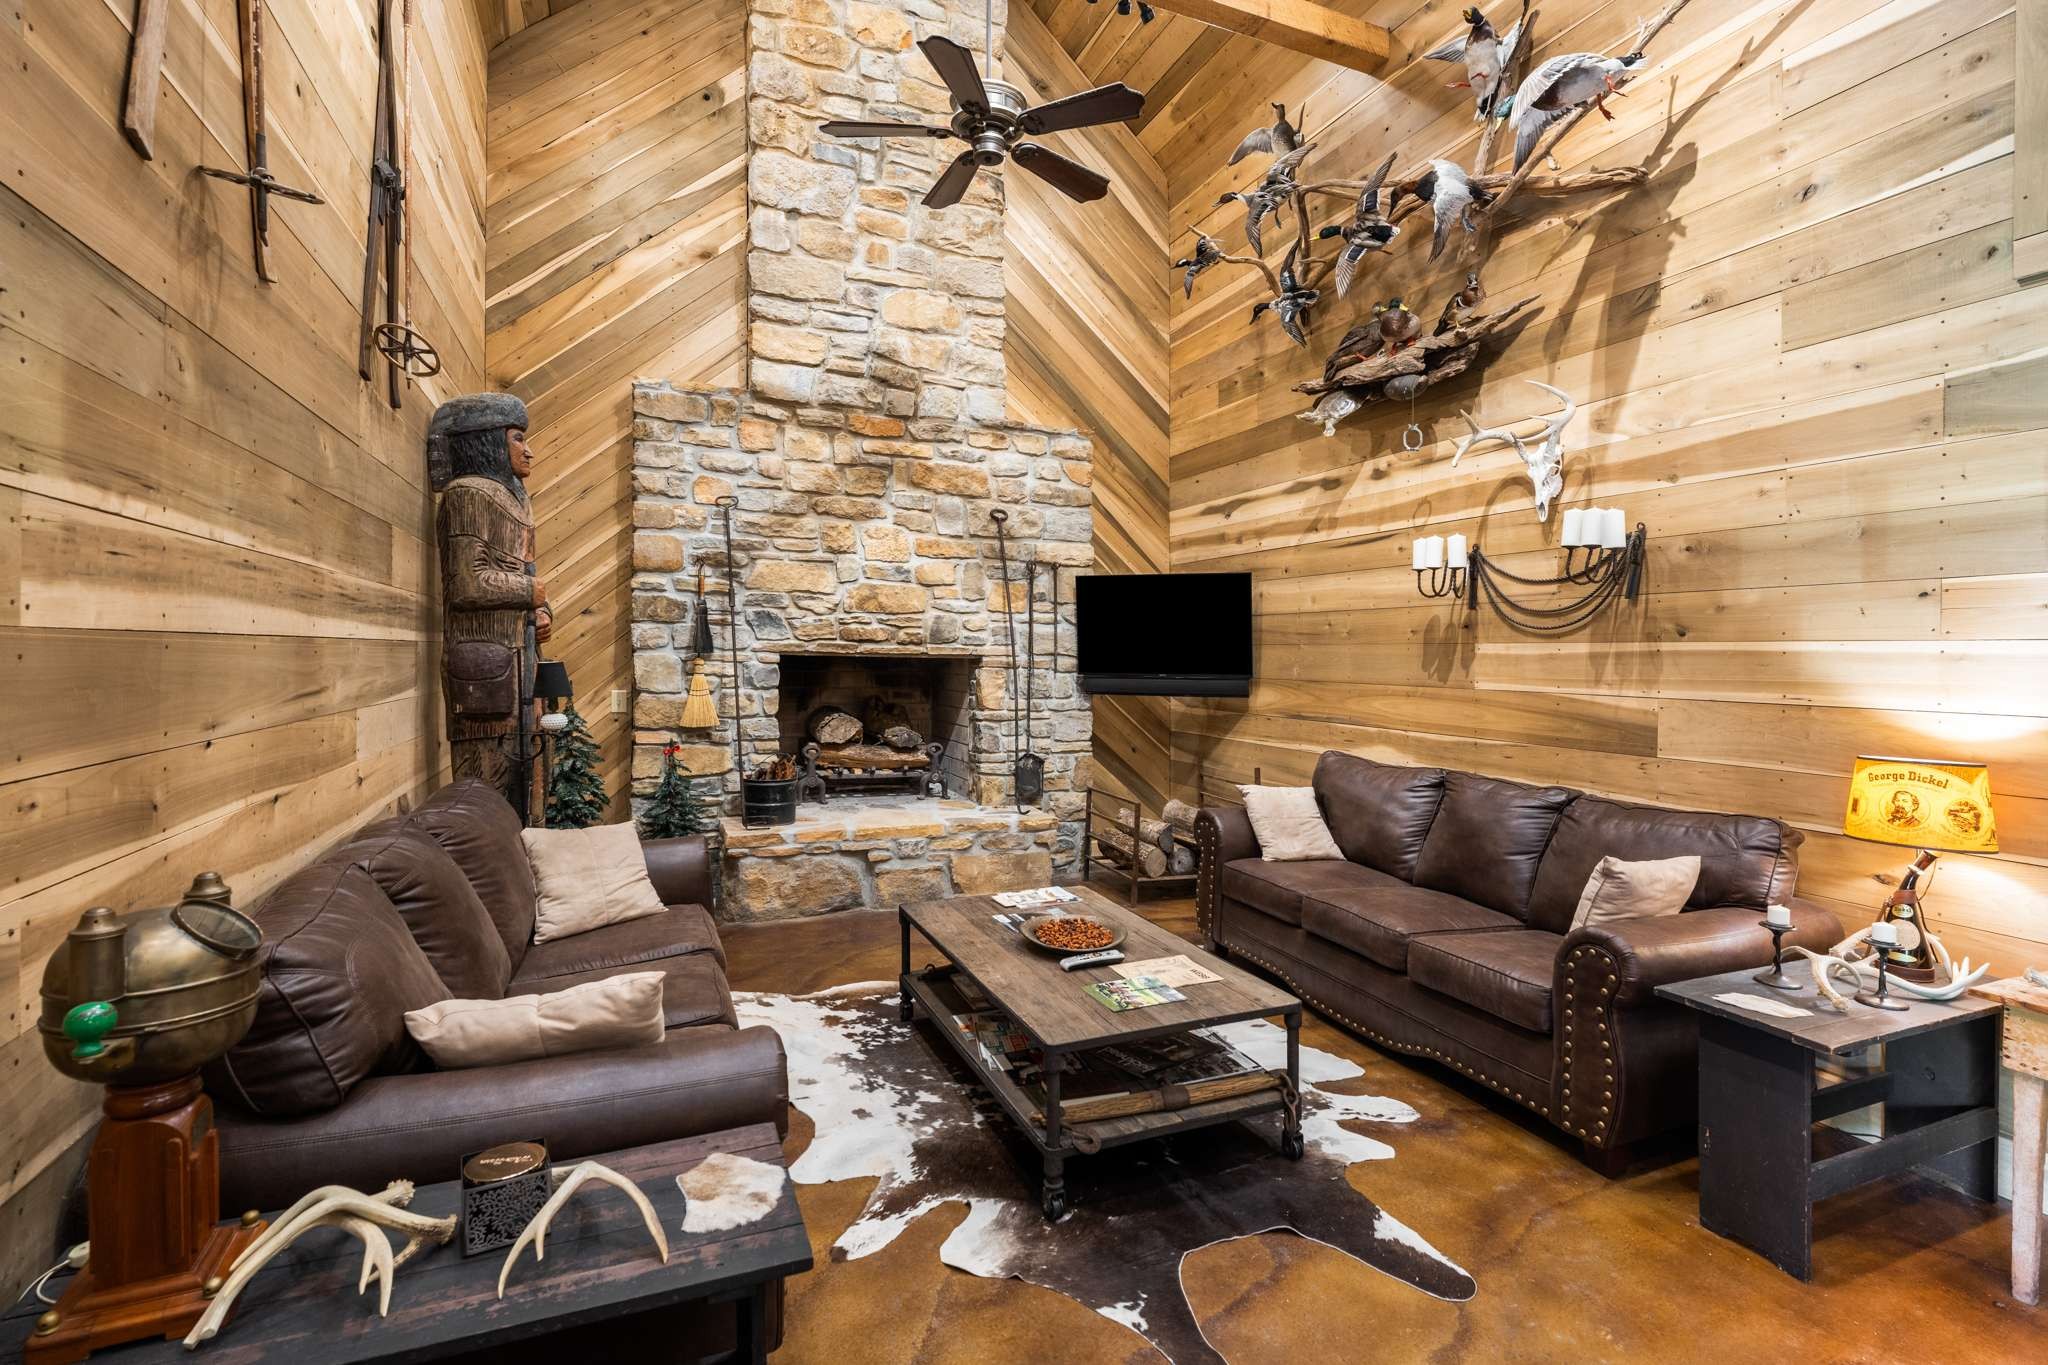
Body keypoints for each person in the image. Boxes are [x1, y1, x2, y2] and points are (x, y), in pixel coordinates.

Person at [428, 393, 551, 817]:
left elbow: (527, 572)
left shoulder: (516, 499)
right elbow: (466, 582)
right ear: (487, 441)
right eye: (518, 439)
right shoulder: (467, 495)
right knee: (486, 786)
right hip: (485, 669)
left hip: (520, 662)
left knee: (526, 781)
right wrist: (527, 594)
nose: (528, 449)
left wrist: (541, 611)